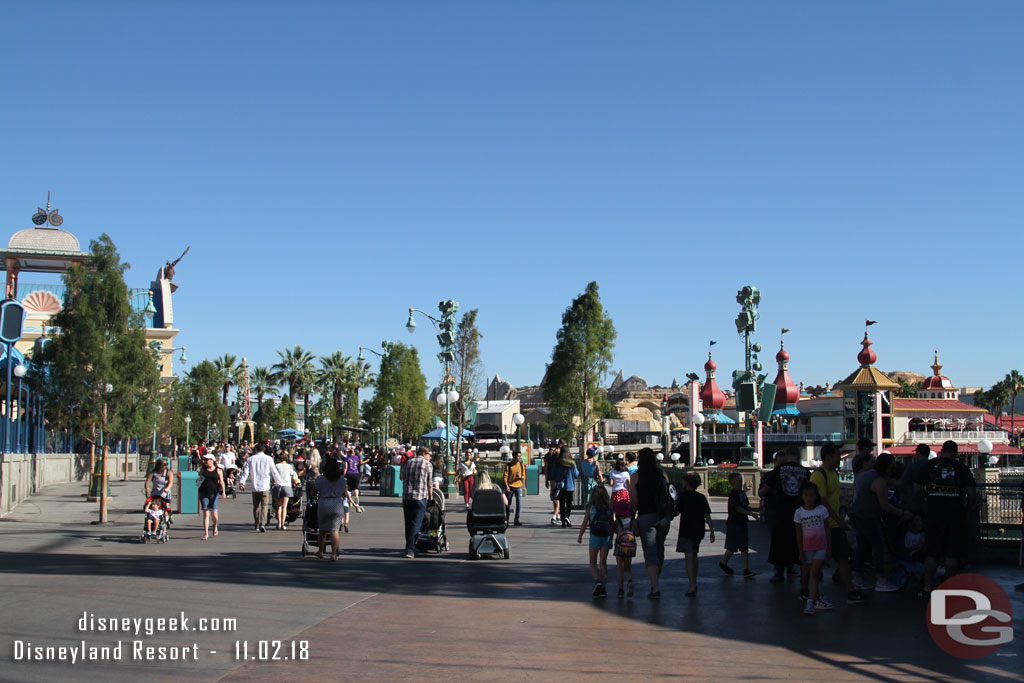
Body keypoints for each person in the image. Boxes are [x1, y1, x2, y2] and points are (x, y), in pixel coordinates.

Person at [915, 440, 976, 597]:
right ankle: (949, 589)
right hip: (955, 515)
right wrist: (966, 510)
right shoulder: (962, 468)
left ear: (942, 451)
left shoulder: (929, 465)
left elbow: (917, 488)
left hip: (934, 514)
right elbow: (972, 495)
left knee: (932, 552)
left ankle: (928, 587)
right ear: (956, 453)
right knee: (951, 554)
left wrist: (930, 496)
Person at [810, 443, 866, 603]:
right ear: (828, 458)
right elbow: (823, 501)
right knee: (821, 560)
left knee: (841, 557)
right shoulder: (819, 476)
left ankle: (849, 590)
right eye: (836, 456)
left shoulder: (833, 473)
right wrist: (838, 520)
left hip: (834, 524)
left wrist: (844, 505)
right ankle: (812, 592)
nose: (839, 459)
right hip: (825, 526)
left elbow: (833, 498)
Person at [851, 452, 912, 592]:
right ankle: (881, 580)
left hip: (856, 514)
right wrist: (903, 513)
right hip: (868, 516)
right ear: (885, 467)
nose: (892, 471)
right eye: (890, 468)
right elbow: (884, 505)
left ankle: (856, 577)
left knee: (862, 546)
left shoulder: (864, 475)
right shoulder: (879, 481)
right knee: (878, 546)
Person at [628, 447, 672, 599]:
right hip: (663, 516)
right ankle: (655, 581)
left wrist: (632, 519)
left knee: (650, 552)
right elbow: (670, 495)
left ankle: (655, 587)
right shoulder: (662, 474)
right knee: (659, 549)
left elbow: (634, 501)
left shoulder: (636, 477)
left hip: (646, 516)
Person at [762, 447, 810, 582]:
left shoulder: (779, 470)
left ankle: (779, 572)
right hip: (799, 511)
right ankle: (801, 571)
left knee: (779, 543)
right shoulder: (805, 471)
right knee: (799, 542)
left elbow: (766, 487)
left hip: (781, 511)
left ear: (788, 456)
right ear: (799, 457)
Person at [794, 482, 832, 615]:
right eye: (806, 495)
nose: (809, 498)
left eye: (812, 495)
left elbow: (827, 529)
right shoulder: (799, 512)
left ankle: (811, 601)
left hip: (820, 546)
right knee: (812, 572)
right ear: (802, 496)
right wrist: (800, 551)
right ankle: (814, 597)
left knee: (814, 572)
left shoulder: (822, 510)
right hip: (808, 547)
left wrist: (828, 548)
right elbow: (798, 533)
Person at [675, 471, 715, 597]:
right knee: (694, 554)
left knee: (689, 557)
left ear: (686, 483)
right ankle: (694, 581)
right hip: (699, 530)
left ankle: (692, 585)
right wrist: (712, 530)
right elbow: (707, 515)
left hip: (686, 529)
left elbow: (676, 512)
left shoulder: (683, 496)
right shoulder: (701, 497)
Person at [237, 443, 286, 532]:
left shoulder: (251, 459)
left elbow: (245, 472)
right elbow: (274, 472)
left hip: (255, 486)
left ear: (256, 450)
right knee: (264, 505)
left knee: (256, 506)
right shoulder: (269, 459)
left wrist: (242, 482)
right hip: (265, 485)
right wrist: (279, 482)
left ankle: (256, 524)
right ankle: (262, 523)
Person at [577, 485, 614, 598]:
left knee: (593, 562)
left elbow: (584, 523)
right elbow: (612, 523)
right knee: (603, 563)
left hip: (594, 536)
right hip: (606, 537)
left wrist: (580, 536)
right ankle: (603, 588)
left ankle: (597, 581)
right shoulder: (609, 507)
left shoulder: (590, 507)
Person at [719, 472, 758, 578]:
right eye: (738, 482)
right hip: (734, 523)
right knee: (732, 546)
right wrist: (752, 514)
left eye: (741, 481)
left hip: (742, 522)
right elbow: (738, 508)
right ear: (732, 483)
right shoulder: (734, 494)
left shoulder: (742, 493)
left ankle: (746, 569)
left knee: (744, 547)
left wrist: (755, 510)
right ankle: (723, 563)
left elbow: (745, 506)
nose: (740, 484)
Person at [400, 446, 434, 559]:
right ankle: (410, 549)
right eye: (430, 454)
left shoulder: (408, 463)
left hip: (407, 497)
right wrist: (431, 497)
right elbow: (430, 484)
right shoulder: (427, 464)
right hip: (420, 497)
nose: (430, 457)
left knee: (408, 523)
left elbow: (402, 477)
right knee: (416, 523)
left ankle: (408, 546)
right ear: (424, 453)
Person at [314, 458, 348, 560]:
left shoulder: (320, 479)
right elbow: (345, 493)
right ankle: (333, 554)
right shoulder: (341, 479)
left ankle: (320, 551)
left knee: (322, 530)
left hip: (324, 503)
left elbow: (313, 492)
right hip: (337, 503)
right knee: (334, 531)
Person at [197, 454, 225, 540]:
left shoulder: (218, 470)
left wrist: (223, 492)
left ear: (212, 460)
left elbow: (221, 481)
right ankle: (206, 534)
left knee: (214, 515)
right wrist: (197, 486)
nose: (205, 462)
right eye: (204, 460)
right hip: (204, 493)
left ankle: (215, 525)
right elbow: (199, 481)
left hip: (214, 493)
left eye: (207, 460)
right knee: (206, 514)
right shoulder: (203, 470)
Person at [899, 443, 931, 516]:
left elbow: (901, 482)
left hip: (913, 502)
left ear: (918, 453)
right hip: (929, 503)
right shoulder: (931, 465)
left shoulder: (913, 465)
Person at [552, 447, 579, 528]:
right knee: (569, 503)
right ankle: (567, 516)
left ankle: (563, 520)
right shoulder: (572, 463)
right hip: (570, 486)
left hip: (560, 486)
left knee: (562, 503)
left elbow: (553, 474)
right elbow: (576, 474)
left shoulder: (557, 462)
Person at [613, 509, 637, 599]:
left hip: (620, 545)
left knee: (620, 568)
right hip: (630, 546)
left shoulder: (617, 521)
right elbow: (637, 533)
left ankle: (620, 590)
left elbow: (614, 530)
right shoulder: (632, 520)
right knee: (627, 568)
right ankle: (630, 581)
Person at [272, 453, 297, 530]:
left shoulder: (276, 466)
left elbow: (273, 476)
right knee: (284, 506)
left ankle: (278, 523)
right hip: (286, 486)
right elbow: (294, 476)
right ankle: (283, 524)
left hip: (278, 486)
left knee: (278, 506)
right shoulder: (290, 466)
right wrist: (295, 481)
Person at [503, 449, 526, 526]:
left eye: (520, 456)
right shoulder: (509, 465)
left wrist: (521, 477)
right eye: (518, 456)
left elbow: (524, 477)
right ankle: (506, 519)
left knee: (519, 503)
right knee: (508, 504)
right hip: (510, 487)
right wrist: (507, 486)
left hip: (518, 487)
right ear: (513, 457)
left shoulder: (521, 465)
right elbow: (505, 477)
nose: (519, 458)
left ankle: (517, 519)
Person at [544, 447, 562, 525]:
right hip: (558, 479)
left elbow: (546, 468)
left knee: (555, 497)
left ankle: (557, 514)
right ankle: (556, 515)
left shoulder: (548, 456)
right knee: (557, 497)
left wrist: (546, 479)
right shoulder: (559, 455)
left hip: (551, 479)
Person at [343, 447, 365, 512]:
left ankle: (350, 501)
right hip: (356, 473)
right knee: (356, 488)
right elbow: (358, 463)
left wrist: (343, 475)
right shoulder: (356, 458)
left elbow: (345, 467)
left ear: (349, 453)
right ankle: (356, 497)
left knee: (349, 488)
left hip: (349, 473)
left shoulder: (347, 459)